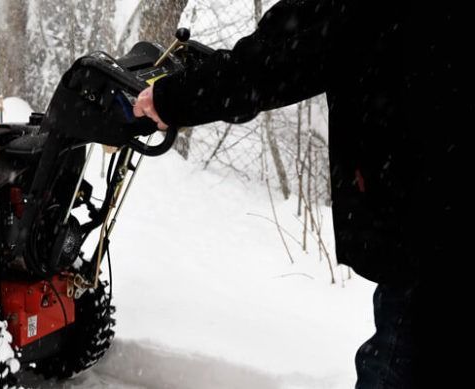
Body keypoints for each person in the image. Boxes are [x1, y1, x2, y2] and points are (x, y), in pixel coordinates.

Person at [132, 1, 461, 388]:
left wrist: (173, 98)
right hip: (433, 224)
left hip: (429, 233)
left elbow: (289, 56)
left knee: (404, 359)